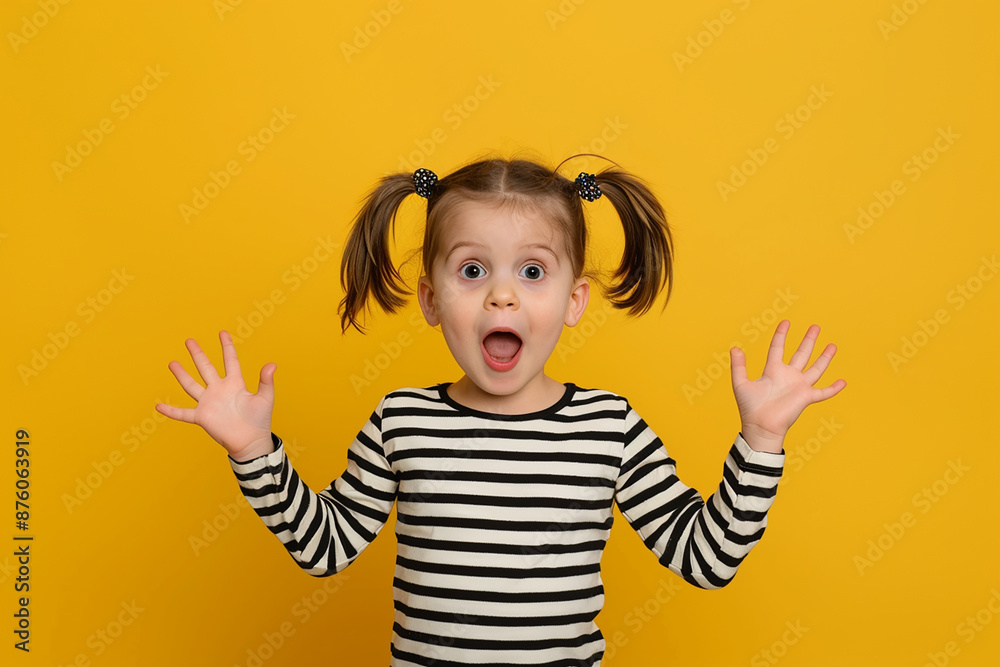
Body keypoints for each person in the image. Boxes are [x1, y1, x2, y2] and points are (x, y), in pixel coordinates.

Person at [155, 152, 846, 666]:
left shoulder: (610, 427)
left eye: (534, 271)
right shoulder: (402, 421)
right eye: (473, 270)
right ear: (430, 298)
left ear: (574, 299)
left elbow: (708, 557)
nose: (502, 298)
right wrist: (252, 451)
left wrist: (760, 441)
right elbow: (325, 547)